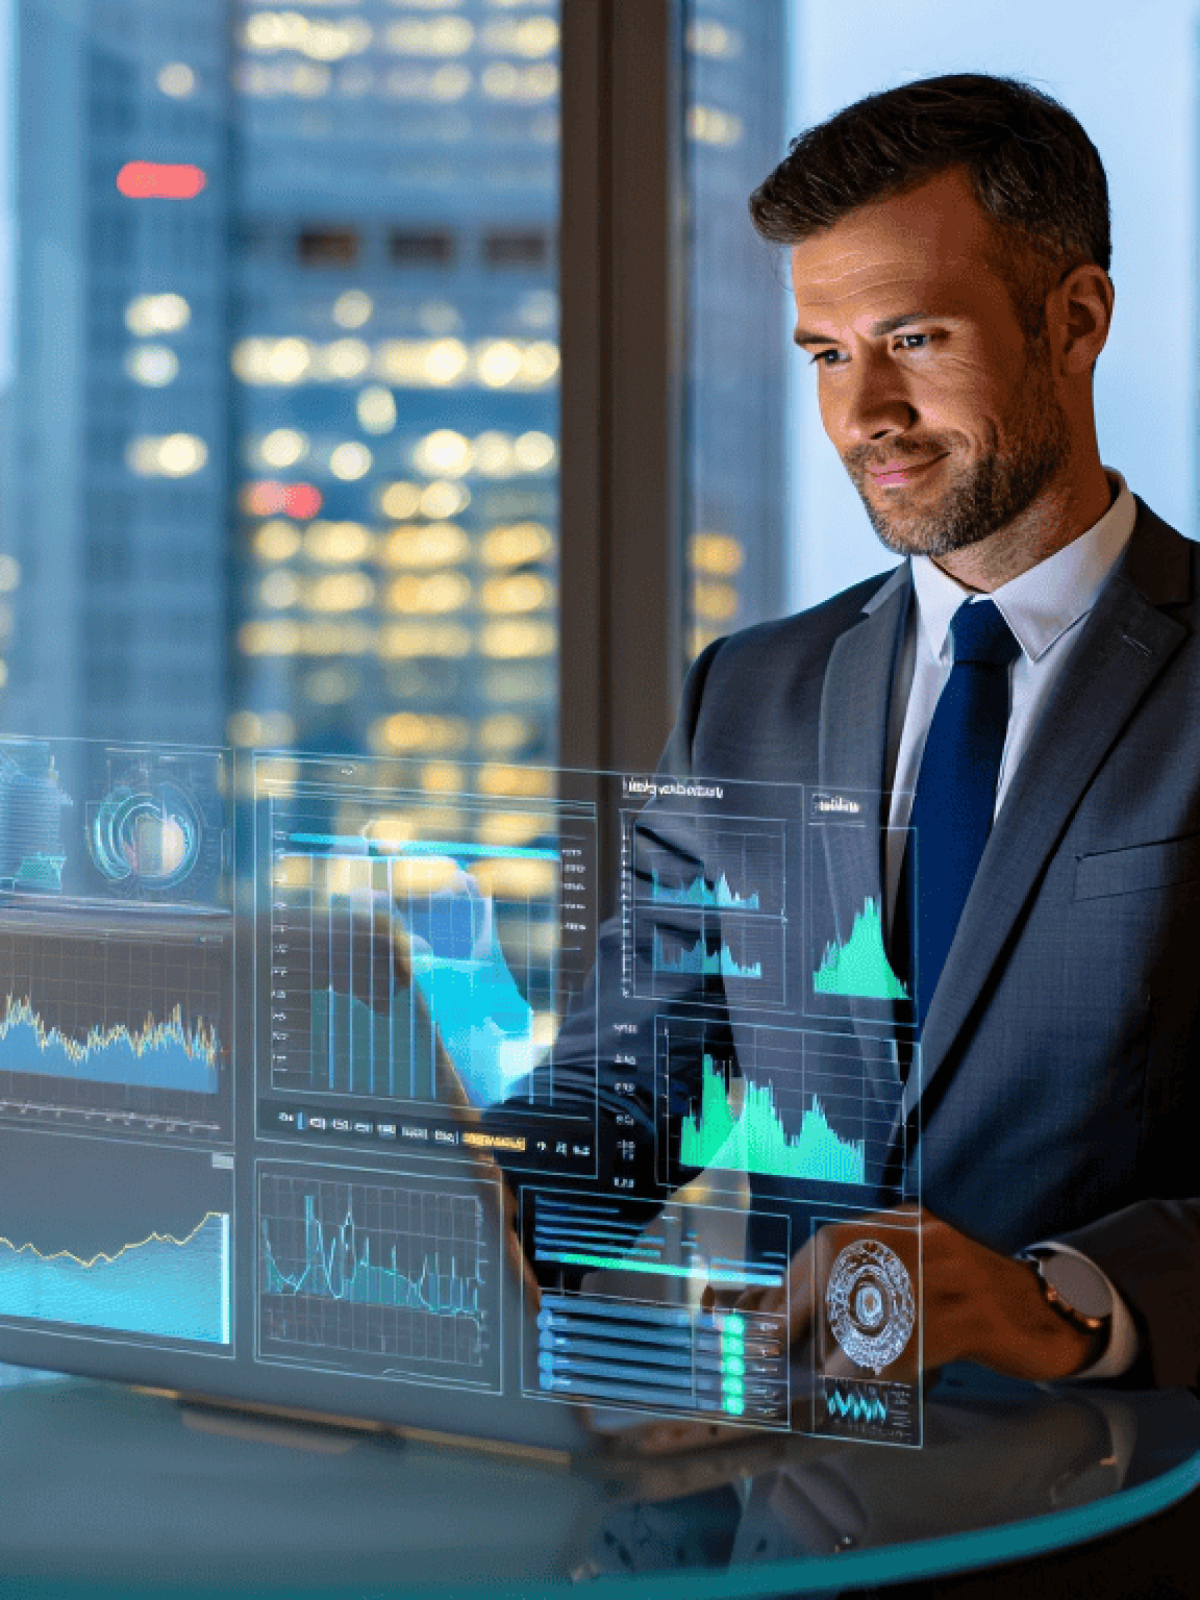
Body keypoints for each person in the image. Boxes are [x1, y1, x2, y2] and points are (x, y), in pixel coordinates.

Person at [628, 72, 1199, 1420]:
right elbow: (635, 1080)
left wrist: (1062, 1300)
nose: (861, 413)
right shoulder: (746, 697)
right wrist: (414, 1195)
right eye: (826, 354)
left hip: (1123, 1522)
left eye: (915, 339)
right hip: (791, 1499)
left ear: (1077, 318)